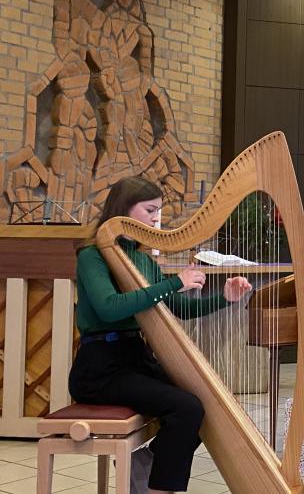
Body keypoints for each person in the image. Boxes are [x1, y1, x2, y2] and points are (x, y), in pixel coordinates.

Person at [69, 176, 252, 494]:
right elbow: (110, 309)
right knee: (186, 407)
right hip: (101, 369)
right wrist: (173, 282)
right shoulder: (92, 256)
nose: (157, 218)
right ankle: (159, 489)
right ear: (123, 211)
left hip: (135, 361)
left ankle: (147, 463)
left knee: (203, 402)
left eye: (159, 211)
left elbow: (177, 308)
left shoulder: (142, 259)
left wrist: (225, 298)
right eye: (150, 209)